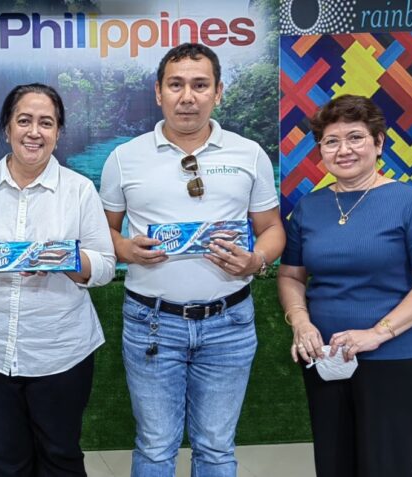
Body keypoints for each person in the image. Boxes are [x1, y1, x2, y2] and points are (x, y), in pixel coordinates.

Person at [99, 43, 286, 476]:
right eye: (176, 84)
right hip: (152, 323)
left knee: (217, 448)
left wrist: (256, 259)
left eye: (200, 85)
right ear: (159, 92)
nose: (188, 96)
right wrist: (125, 249)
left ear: (218, 92)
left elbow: (273, 229)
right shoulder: (125, 159)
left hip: (231, 323)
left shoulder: (249, 153)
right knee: (155, 447)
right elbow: (100, 231)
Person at [0, 83, 116, 476]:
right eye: (24, 121)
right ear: (6, 128)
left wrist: (65, 258)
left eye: (46, 123)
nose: (34, 132)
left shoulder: (79, 191)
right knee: (4, 461)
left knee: (60, 456)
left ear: (58, 132)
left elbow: (104, 266)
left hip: (60, 350)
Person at [277, 94, 412, 477]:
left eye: (356, 137)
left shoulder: (409, 202)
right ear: (320, 149)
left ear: (378, 143)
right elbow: (291, 275)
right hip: (325, 359)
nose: (344, 150)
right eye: (331, 141)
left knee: (385, 465)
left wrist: (377, 333)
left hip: (393, 360)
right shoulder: (310, 206)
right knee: (334, 464)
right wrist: (301, 323)